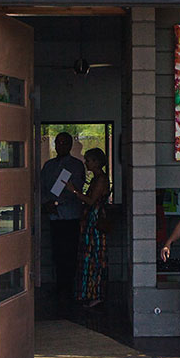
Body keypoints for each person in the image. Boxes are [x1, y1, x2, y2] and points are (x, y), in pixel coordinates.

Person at [40, 132, 85, 312]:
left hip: (70, 215)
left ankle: (70, 288)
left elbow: (78, 190)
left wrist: (59, 202)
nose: (61, 146)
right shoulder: (49, 165)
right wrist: (46, 203)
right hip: (54, 216)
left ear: (70, 145)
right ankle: (59, 286)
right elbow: (41, 187)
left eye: (64, 143)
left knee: (71, 252)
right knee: (56, 252)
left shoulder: (76, 165)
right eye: (58, 143)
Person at [69, 147, 111, 307]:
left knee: (94, 255)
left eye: (89, 160)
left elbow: (92, 200)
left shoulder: (100, 180)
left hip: (95, 220)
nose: (86, 163)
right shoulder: (96, 178)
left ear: (97, 162)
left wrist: (74, 191)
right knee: (90, 254)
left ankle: (96, 292)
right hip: (90, 219)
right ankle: (89, 292)